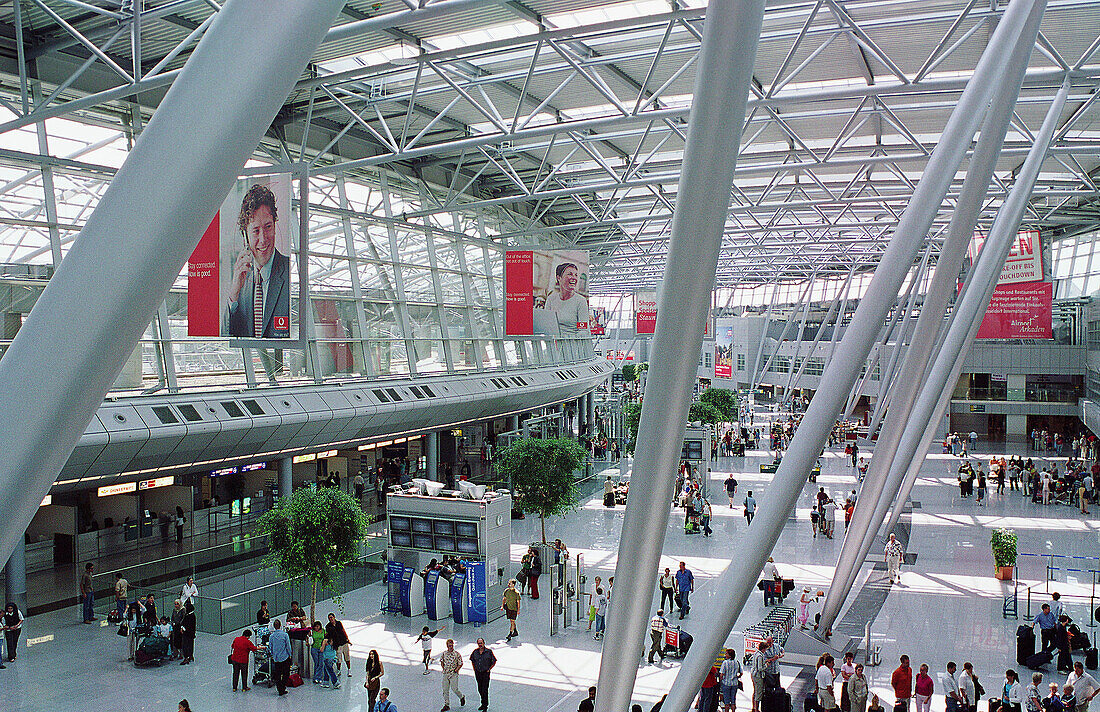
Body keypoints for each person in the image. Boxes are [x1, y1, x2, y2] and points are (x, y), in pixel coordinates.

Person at [225, 183, 291, 338]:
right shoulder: (240, 280)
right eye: (255, 231)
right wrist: (234, 294)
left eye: (268, 227)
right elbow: (228, 334)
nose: (263, 239)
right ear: (245, 236)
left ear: (275, 225)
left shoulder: (290, 271)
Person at [545, 262, 589, 336]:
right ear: (559, 278)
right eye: (570, 274)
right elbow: (546, 324)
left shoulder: (581, 301)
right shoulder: (551, 299)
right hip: (553, 343)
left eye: (576, 275)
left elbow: (584, 330)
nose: (574, 278)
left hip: (572, 344)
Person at [470, 637, 497, 711]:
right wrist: (474, 669)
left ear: (484, 643)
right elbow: (472, 660)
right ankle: (482, 703)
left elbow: (494, 661)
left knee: (485, 689)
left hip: (485, 673)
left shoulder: (489, 652)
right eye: (479, 643)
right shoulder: (475, 652)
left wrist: (489, 669)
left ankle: (485, 706)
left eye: (481, 643)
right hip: (478, 673)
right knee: (480, 689)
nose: (480, 645)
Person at [440, 638, 466, 711]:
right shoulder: (444, 653)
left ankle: (461, 697)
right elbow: (442, 661)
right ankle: (446, 704)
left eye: (451, 645)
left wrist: (456, 670)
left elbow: (460, 663)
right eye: (449, 646)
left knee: (454, 689)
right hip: (446, 673)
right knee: (445, 690)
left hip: (453, 674)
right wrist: (443, 668)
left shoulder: (457, 654)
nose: (450, 647)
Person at [269, 619, 292, 696]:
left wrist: (273, 655)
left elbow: (270, 647)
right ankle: (282, 687)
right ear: (280, 625)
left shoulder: (271, 636)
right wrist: (290, 654)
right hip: (285, 657)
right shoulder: (285, 635)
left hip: (276, 659)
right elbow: (288, 646)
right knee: (286, 674)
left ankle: (280, 689)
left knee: (278, 674)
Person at [325, 612, 352, 676]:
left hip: (344, 642)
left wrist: (347, 639)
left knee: (347, 657)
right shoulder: (328, 626)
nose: (330, 619)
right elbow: (329, 635)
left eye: (331, 617)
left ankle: (349, 670)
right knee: (338, 659)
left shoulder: (339, 623)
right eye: (329, 618)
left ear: (334, 617)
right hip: (337, 644)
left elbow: (343, 630)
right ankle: (339, 670)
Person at [720, 648, 743, 712]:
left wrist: (721, 680)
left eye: (726, 654)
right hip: (735, 683)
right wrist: (737, 677)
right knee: (733, 701)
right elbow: (741, 673)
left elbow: (722, 674)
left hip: (726, 683)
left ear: (730, 655)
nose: (725, 655)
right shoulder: (737, 662)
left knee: (726, 702)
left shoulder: (725, 663)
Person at [179, 600, 196, 665]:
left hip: (188, 633)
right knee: (190, 645)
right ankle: (190, 656)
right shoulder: (189, 615)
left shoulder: (191, 616)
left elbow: (189, 625)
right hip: (189, 633)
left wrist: (183, 629)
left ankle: (187, 657)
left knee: (186, 645)